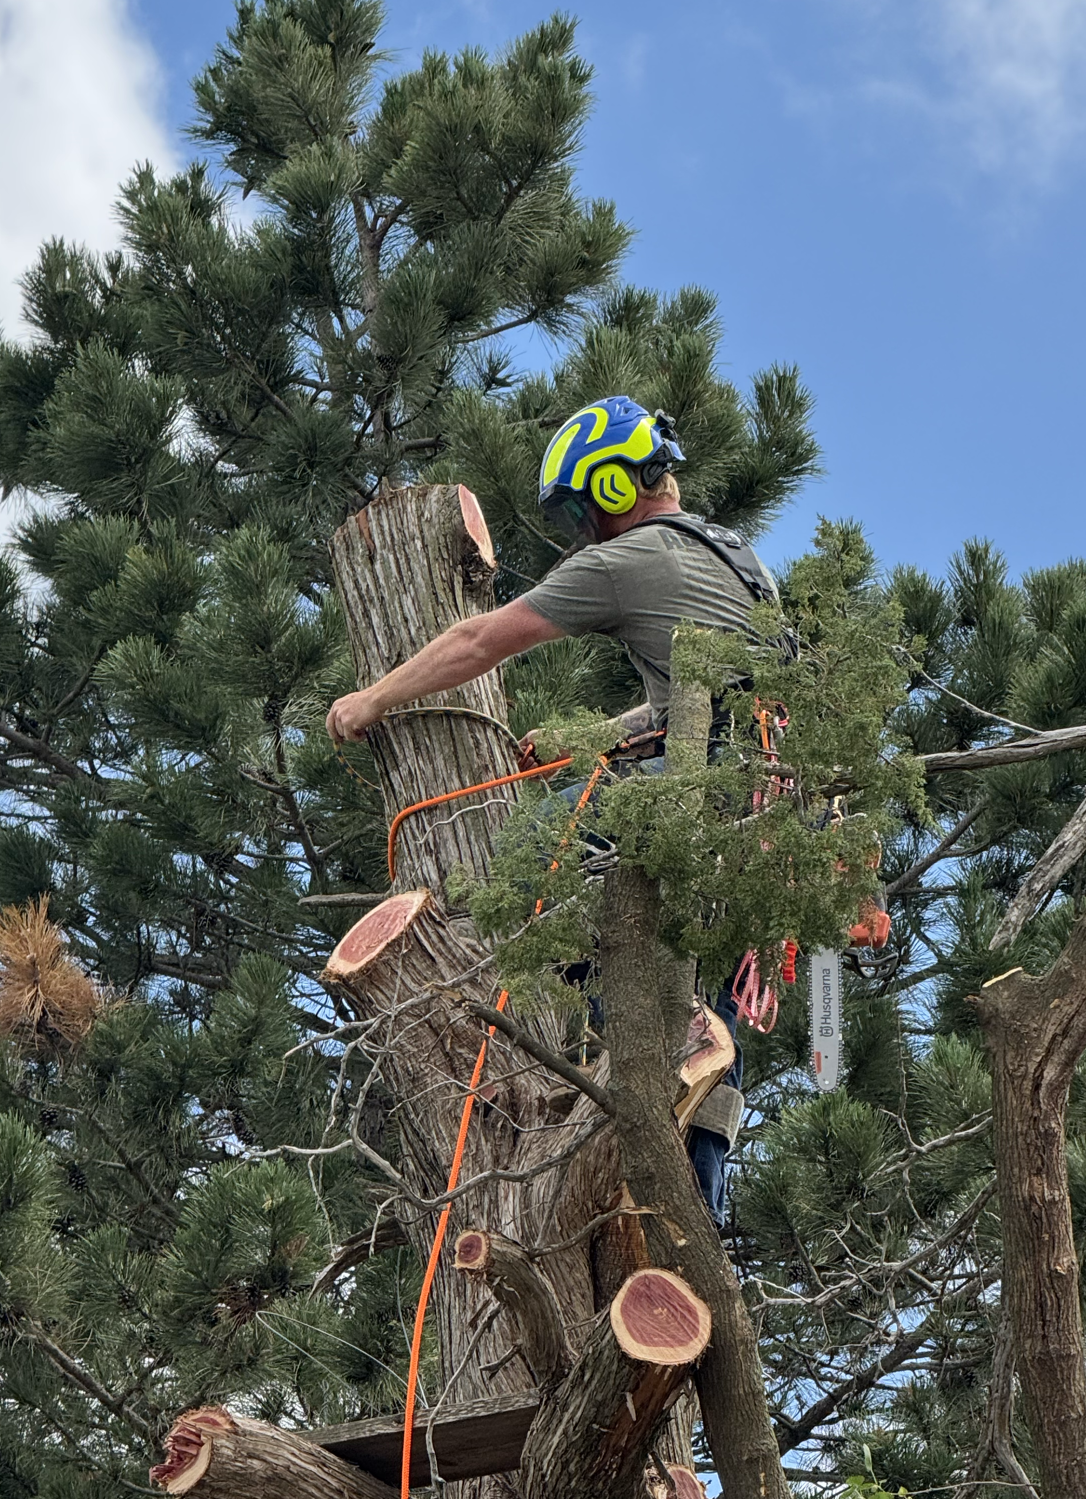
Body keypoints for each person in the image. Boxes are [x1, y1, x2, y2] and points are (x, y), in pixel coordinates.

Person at [325, 396, 783, 1221]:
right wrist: (592, 737)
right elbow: (706, 706)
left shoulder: (631, 557)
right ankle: (699, 1191)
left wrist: (373, 699)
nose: (582, 532)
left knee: (520, 857)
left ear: (612, 486)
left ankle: (602, 1048)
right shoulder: (736, 556)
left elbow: (481, 640)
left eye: (581, 509)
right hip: (763, 809)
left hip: (702, 797)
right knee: (694, 994)